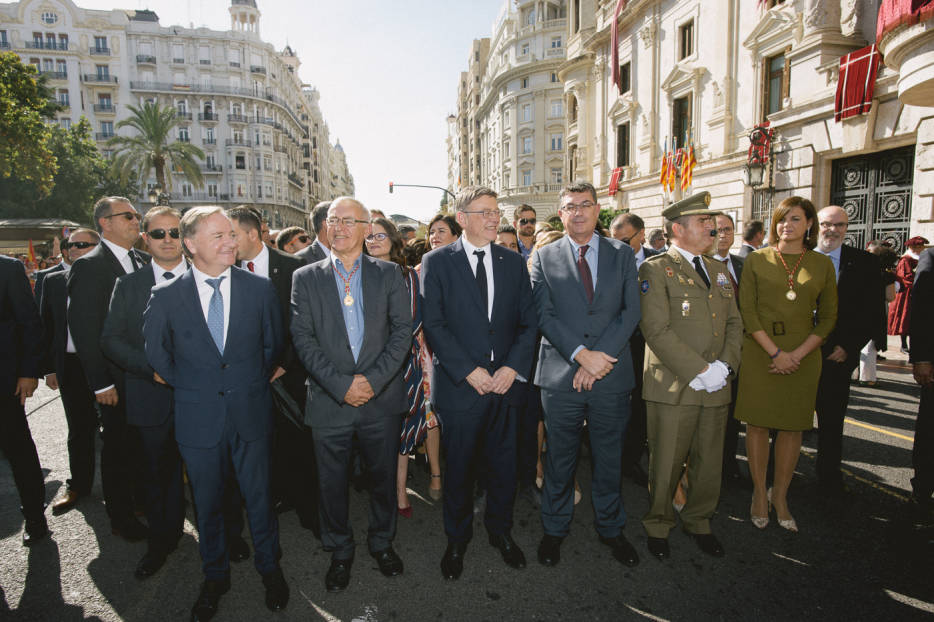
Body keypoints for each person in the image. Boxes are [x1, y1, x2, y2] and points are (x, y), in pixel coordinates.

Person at [143, 206, 289, 617]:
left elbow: (272, 347)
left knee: (259, 500)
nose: (231, 242)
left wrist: (244, 383)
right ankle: (215, 576)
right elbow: (158, 355)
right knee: (206, 505)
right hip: (198, 417)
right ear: (190, 245)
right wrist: (197, 384)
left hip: (251, 413)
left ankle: (270, 570)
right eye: (219, 236)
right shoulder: (166, 296)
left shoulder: (259, 290)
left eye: (231, 234)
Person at [290, 197, 411, 592]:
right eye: (331, 220)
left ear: (365, 227)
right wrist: (342, 386)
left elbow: (401, 335)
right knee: (331, 484)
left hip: (381, 399)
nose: (337, 227)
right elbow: (303, 340)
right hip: (329, 400)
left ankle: (382, 542)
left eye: (347, 220)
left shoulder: (390, 274)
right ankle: (340, 550)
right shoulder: (305, 277)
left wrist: (371, 382)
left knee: (382, 481)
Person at [421, 186, 537, 580]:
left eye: (495, 211)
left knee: (505, 468)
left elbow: (528, 322)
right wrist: (469, 371)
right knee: (459, 470)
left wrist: (510, 369)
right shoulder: (436, 262)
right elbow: (433, 323)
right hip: (460, 387)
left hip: (506, 387)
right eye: (484, 212)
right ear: (462, 218)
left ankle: (500, 532)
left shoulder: (513, 262)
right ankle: (457, 539)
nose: (494, 218)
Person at [529, 181, 641, 568]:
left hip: (611, 373)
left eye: (585, 204)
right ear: (560, 214)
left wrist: (600, 359)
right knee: (559, 458)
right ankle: (554, 529)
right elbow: (543, 315)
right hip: (562, 377)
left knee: (609, 458)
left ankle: (611, 528)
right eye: (570, 206)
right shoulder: (544, 257)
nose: (578, 212)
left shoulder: (622, 254)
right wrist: (580, 356)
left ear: (598, 210)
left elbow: (631, 312)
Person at [638, 192, 743, 560]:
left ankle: (699, 521)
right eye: (704, 222)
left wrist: (725, 368)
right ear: (678, 229)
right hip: (675, 383)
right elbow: (655, 329)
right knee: (666, 460)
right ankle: (659, 524)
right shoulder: (655, 268)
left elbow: (734, 323)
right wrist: (700, 370)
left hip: (716, 384)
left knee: (709, 460)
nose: (712, 228)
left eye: (712, 222)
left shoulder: (718, 270)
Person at [735, 197, 837, 533]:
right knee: (758, 426)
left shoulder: (822, 264)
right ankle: (758, 496)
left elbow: (828, 318)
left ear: (809, 224)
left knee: (793, 427)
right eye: (781, 219)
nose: (786, 226)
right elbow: (747, 312)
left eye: (794, 219)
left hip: (804, 357)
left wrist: (797, 355)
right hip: (761, 351)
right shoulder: (757, 260)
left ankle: (780, 496)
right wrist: (776, 354)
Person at [100, 208, 187, 579]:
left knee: (217, 472)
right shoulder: (130, 286)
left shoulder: (212, 278)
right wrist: (151, 369)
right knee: (156, 475)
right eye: (158, 233)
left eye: (174, 231)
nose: (167, 239)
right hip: (149, 397)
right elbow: (111, 340)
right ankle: (162, 542)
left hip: (204, 399)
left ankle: (228, 537)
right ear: (145, 239)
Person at [228, 206, 318, 534]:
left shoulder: (295, 268)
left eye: (232, 234)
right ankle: (272, 500)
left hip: (290, 378)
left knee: (299, 448)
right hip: (244, 382)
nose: (226, 241)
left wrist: (284, 363)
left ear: (253, 234)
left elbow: (306, 324)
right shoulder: (223, 271)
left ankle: (311, 513)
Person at [67, 196, 149, 541]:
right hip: (115, 379)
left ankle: (143, 502)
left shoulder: (146, 261)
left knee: (144, 444)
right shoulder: (89, 266)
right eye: (128, 215)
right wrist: (100, 384)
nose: (136, 221)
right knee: (117, 448)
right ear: (105, 223)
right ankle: (121, 517)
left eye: (137, 215)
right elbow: (85, 331)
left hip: (148, 374)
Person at [364, 217, 441, 515]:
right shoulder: (354, 274)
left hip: (403, 365)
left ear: (394, 240)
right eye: (368, 236)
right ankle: (381, 492)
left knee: (402, 431)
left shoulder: (408, 276)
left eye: (380, 235)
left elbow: (413, 321)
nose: (373, 241)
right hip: (364, 367)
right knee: (374, 433)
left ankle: (399, 491)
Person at [813, 206, 882, 497]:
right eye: (827, 224)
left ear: (847, 227)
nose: (833, 230)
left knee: (831, 423)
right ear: (816, 226)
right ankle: (780, 475)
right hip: (796, 357)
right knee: (787, 421)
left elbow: (873, 312)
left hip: (837, 358)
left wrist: (849, 347)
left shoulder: (864, 263)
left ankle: (828, 478)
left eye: (839, 225)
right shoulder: (799, 258)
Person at [40, 229, 101, 515]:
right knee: (79, 429)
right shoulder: (51, 281)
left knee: (117, 430)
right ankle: (78, 485)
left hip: (104, 363)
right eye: (70, 245)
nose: (73, 249)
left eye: (81, 245)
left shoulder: (109, 275)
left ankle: (130, 493)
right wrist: (49, 368)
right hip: (71, 365)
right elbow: (46, 327)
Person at [0, 255, 48, 546]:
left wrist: (29, 372)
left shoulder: (8, 269)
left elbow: (29, 322)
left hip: (4, 384)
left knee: (19, 452)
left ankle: (34, 517)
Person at [610, 211, 660, 486]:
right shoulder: (608, 259)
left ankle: (631, 460)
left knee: (642, 404)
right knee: (615, 406)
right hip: (616, 343)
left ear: (641, 235)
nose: (619, 246)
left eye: (625, 240)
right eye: (614, 240)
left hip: (648, 346)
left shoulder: (659, 261)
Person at [711, 213, 746, 485]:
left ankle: (727, 463)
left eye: (729, 229)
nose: (724, 234)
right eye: (718, 229)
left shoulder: (744, 265)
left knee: (734, 414)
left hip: (741, 353)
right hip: (709, 354)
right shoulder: (699, 265)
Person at [909, 245, 934, 513]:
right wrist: (923, 357)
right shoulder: (932, 256)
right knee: (931, 430)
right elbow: (923, 308)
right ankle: (923, 488)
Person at [860, 245, 898, 384]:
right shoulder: (887, 275)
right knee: (870, 345)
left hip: (857, 309)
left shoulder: (859, 270)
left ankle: (853, 373)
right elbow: (890, 297)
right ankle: (867, 377)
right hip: (876, 310)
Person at [889, 236, 929, 353]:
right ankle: (904, 345)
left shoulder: (921, 258)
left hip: (919, 293)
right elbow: (905, 278)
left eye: (921, 246)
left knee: (917, 321)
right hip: (907, 294)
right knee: (906, 318)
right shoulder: (906, 260)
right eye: (918, 246)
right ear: (912, 247)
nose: (921, 248)